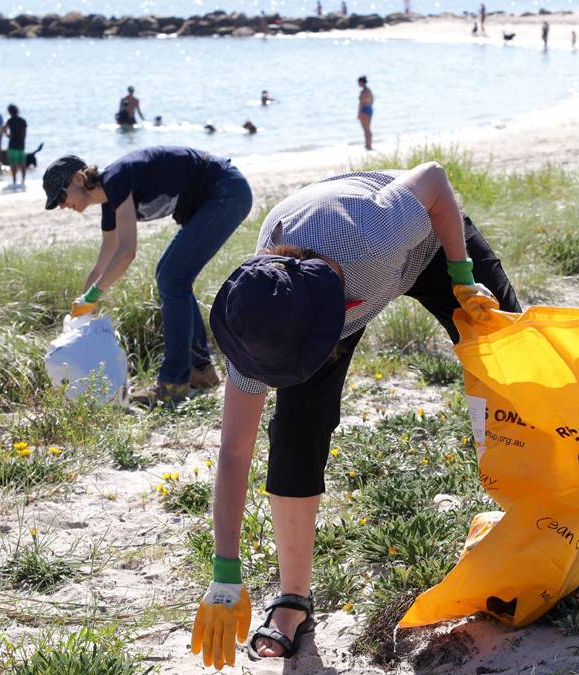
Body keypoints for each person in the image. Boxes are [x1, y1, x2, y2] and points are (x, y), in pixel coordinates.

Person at [192, 162, 521, 666]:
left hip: (426, 239)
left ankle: (541, 525)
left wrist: (461, 277)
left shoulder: (375, 232)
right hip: (311, 288)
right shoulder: (259, 321)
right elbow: (235, 452)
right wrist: (224, 572)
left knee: (510, 357)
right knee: (297, 435)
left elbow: (433, 180)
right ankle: (293, 598)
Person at [41, 147, 252, 406]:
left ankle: (172, 385)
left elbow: (127, 252)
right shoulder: (110, 201)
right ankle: (201, 370)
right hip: (216, 198)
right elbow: (104, 261)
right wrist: (84, 305)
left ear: (77, 179)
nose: (62, 206)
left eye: (60, 197)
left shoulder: (116, 178)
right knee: (173, 277)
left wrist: (94, 294)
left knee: (171, 277)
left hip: (226, 191)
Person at [2, 103, 27, 188]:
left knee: (13, 164)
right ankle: (23, 180)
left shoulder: (10, 120)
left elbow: (3, 129)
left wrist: (8, 135)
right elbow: (24, 134)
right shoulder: (23, 121)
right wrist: (23, 141)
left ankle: (14, 181)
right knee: (22, 164)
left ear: (10, 112)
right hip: (21, 145)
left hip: (12, 145)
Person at [357, 75, 373, 151]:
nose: (358, 84)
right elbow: (372, 100)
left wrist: (359, 113)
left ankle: (368, 145)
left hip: (364, 110)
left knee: (366, 129)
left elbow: (361, 103)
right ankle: (368, 144)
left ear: (362, 82)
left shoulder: (363, 92)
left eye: (359, 82)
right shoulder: (369, 91)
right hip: (369, 109)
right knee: (368, 128)